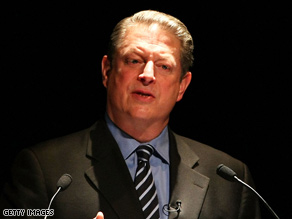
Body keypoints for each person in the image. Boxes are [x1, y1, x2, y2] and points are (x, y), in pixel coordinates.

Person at [1, 10, 260, 219]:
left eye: (164, 66)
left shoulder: (230, 179)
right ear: (106, 70)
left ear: (182, 86)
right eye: (134, 60)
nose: (147, 75)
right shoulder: (44, 169)